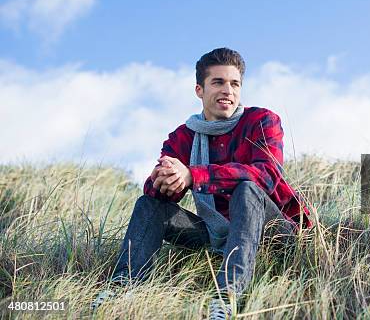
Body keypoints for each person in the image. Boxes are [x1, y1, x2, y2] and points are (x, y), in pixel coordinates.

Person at [92, 48, 311, 318]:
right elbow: (159, 194)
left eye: (234, 84)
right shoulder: (183, 137)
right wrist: (165, 178)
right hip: (215, 230)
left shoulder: (262, 121)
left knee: (247, 188)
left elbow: (265, 175)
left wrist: (194, 175)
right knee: (149, 205)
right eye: (218, 82)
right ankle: (121, 288)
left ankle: (226, 298)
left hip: (273, 232)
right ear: (199, 90)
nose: (227, 91)